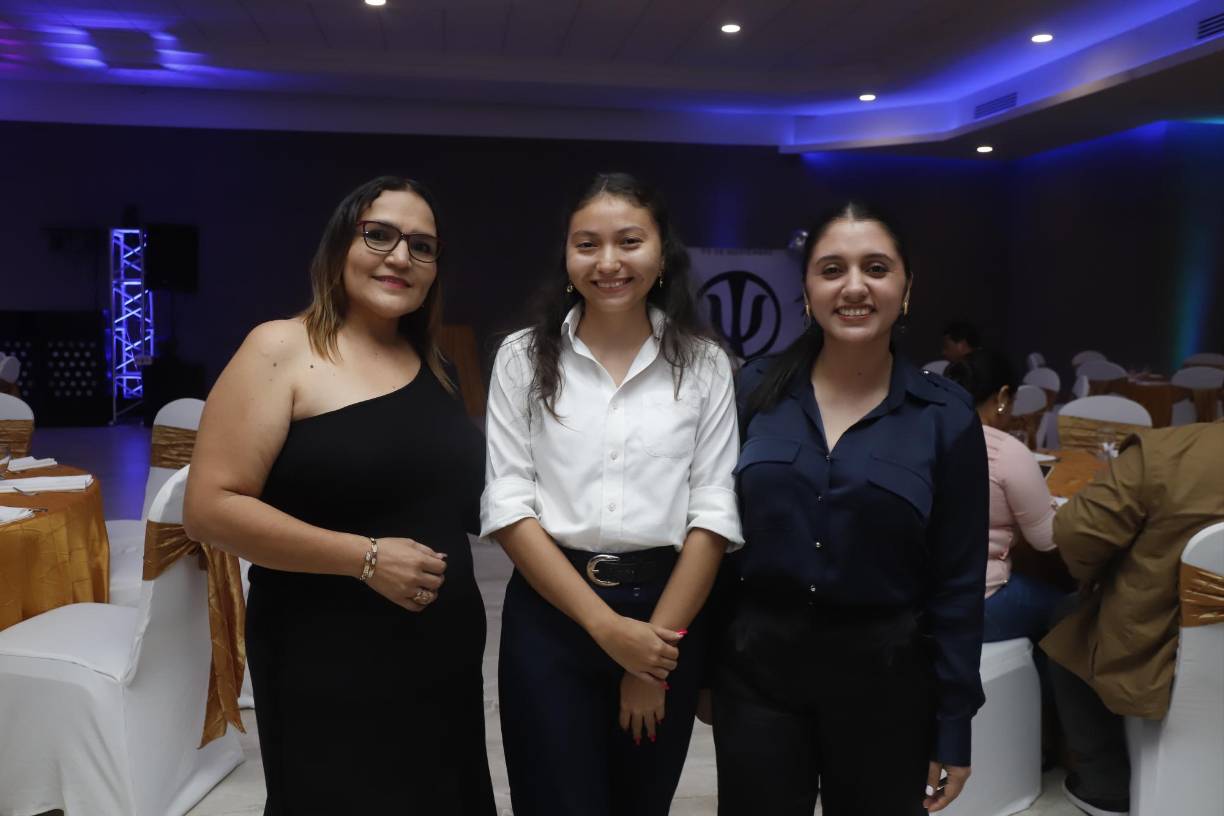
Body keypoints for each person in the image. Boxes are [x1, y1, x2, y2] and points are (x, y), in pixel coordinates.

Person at [183, 176, 495, 815]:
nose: (401, 256)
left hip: (442, 659)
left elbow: (458, 502)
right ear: (338, 246)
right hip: (325, 659)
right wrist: (366, 558)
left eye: (422, 246)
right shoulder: (280, 348)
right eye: (378, 234)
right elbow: (209, 508)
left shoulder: (432, 364)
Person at [713, 202, 989, 815]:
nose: (855, 287)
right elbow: (711, 537)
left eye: (877, 268)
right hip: (757, 676)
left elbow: (960, 584)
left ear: (907, 289)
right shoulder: (752, 392)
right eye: (832, 269)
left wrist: (953, 723)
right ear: (808, 290)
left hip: (888, 684)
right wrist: (703, 671)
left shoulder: (945, 416)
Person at [481, 172, 743, 816]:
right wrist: (606, 629)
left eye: (628, 242)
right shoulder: (522, 357)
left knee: (639, 803)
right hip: (552, 618)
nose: (608, 263)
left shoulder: (705, 364)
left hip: (666, 617)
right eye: (586, 244)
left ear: (661, 256)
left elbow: (712, 515)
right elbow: (509, 506)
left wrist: (649, 656)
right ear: (567, 259)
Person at [1040, 420, 1224, 816]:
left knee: (1066, 618)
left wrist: (1095, 578)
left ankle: (1105, 783)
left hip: (1163, 647)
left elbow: (1075, 532)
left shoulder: (1164, 453)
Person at [944, 348, 1065, 643]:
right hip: (974, 605)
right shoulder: (1004, 451)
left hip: (914, 599)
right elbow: (1047, 539)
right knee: (1072, 610)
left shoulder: (919, 435)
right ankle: (1042, 687)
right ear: (1002, 397)